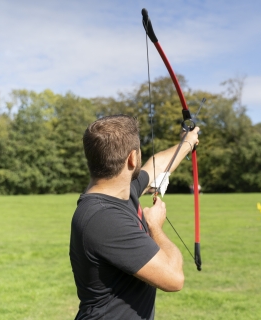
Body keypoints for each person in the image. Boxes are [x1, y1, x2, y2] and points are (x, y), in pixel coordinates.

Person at [69, 114, 200, 320]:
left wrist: (187, 143)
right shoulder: (104, 218)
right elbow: (174, 278)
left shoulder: (121, 191)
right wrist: (155, 227)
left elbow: (155, 166)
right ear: (132, 158)